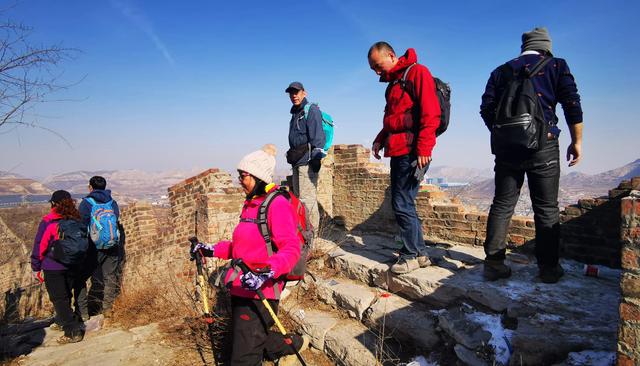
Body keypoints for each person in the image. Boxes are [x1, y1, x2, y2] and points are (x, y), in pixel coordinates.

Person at [480, 27, 583, 283]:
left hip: (506, 149)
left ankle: (494, 263)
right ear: (546, 46)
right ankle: (548, 269)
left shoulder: (500, 71)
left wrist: (505, 133)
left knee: (502, 204)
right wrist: (576, 141)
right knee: (546, 207)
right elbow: (572, 103)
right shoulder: (556, 65)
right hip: (544, 145)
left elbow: (486, 108)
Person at [192, 144, 307, 365]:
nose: (240, 180)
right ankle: (291, 343)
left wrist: (266, 271)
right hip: (240, 286)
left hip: (260, 292)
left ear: (258, 177)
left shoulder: (277, 204)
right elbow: (239, 248)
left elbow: (291, 248)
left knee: (242, 358)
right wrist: (210, 249)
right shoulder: (252, 204)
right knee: (246, 337)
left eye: (243, 176)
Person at [367, 41, 440, 274]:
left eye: (378, 66)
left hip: (412, 150)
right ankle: (420, 254)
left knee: (401, 203)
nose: (378, 72)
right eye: (374, 70)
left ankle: (408, 256)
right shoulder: (393, 85)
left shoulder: (417, 73)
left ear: (391, 55)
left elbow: (431, 112)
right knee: (405, 202)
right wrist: (380, 138)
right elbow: (392, 118)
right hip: (398, 149)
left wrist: (424, 148)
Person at [30, 190, 85, 344]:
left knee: (59, 298)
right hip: (73, 263)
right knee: (66, 295)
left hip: (53, 265)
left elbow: (40, 245)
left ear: (53, 203)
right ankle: (66, 320)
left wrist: (36, 266)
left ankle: (72, 331)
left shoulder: (49, 221)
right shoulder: (76, 218)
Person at [285, 81, 325, 235]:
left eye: (297, 92)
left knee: (307, 200)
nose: (294, 95)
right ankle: (303, 232)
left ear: (304, 93)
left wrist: (316, 158)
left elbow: (318, 137)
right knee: (298, 199)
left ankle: (312, 235)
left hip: (307, 161)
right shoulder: (296, 113)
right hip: (297, 161)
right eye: (291, 93)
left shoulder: (311, 110)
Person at [78, 175, 122, 317]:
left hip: (93, 247)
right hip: (112, 245)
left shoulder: (86, 203)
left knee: (81, 277)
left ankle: (83, 311)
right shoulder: (112, 202)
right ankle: (108, 308)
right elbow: (116, 219)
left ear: (90, 187)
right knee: (110, 276)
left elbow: (82, 225)